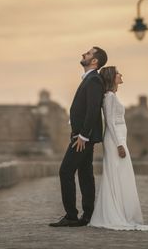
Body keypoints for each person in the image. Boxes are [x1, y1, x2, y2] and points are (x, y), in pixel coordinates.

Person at [89, 66, 148, 232]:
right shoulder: (109, 97)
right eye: (118, 73)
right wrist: (119, 145)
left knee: (120, 175)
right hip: (115, 140)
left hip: (119, 139)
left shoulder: (113, 96)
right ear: (111, 77)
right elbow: (109, 122)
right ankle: (115, 213)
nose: (121, 74)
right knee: (117, 175)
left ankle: (120, 211)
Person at [50, 47, 108, 228]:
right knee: (85, 173)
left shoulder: (94, 80)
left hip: (83, 137)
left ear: (94, 61)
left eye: (89, 53)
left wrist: (83, 135)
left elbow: (92, 110)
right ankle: (87, 215)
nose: (84, 54)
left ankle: (72, 216)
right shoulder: (90, 80)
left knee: (66, 171)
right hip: (82, 136)